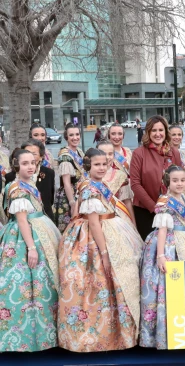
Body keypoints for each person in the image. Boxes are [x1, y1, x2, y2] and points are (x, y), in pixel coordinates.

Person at [58, 148, 143, 352]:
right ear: (88, 166)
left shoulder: (97, 184)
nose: (102, 168)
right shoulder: (89, 188)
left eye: (105, 164)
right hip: (94, 240)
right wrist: (104, 253)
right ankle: (95, 336)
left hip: (111, 230)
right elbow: (94, 224)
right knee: (96, 284)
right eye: (97, 164)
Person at [139, 166, 185, 349]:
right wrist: (161, 255)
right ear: (167, 182)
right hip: (171, 245)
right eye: (175, 181)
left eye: (182, 180)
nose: (180, 184)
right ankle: (169, 333)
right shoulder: (165, 202)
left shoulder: (184, 197)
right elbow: (162, 230)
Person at [0, 149, 61, 352]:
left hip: (40, 231)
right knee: (25, 284)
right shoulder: (17, 188)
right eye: (25, 163)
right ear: (16, 165)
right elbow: (22, 220)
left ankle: (43, 335)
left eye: (32, 162)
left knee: (42, 285)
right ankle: (21, 337)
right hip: (24, 238)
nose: (30, 166)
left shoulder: (29, 184)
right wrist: (31, 248)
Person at [131, 115, 182, 240]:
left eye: (161, 130)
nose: (158, 134)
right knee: (150, 248)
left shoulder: (174, 152)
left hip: (170, 210)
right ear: (148, 132)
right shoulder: (139, 153)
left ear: (166, 132)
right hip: (145, 210)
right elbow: (135, 184)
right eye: (154, 130)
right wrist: (154, 207)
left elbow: (180, 179)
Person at [5, 139, 55, 222]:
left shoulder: (49, 173)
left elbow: (50, 200)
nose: (29, 156)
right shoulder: (11, 177)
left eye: (34, 154)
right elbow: (8, 205)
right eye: (26, 152)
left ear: (41, 156)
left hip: (46, 220)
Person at [53, 123, 86, 232]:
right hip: (69, 197)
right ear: (66, 137)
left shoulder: (79, 151)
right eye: (71, 135)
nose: (75, 137)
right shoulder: (65, 156)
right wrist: (72, 203)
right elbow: (66, 183)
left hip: (80, 193)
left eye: (77, 134)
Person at [97, 140, 136, 225]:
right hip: (94, 220)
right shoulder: (88, 176)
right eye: (103, 153)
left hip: (117, 220)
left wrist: (134, 225)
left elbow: (127, 202)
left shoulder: (120, 176)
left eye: (110, 154)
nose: (107, 157)